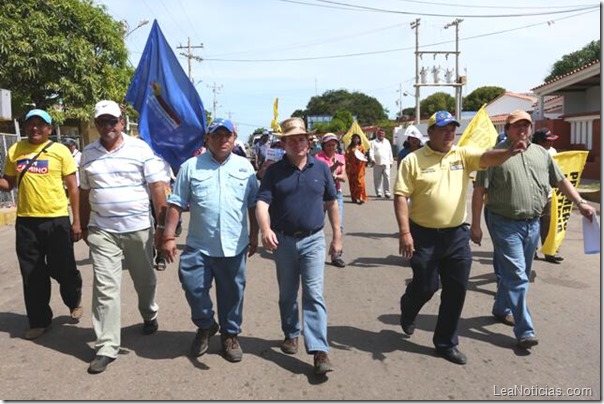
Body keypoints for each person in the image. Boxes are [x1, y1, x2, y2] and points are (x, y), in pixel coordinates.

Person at [393, 110, 528, 365]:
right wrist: (404, 232)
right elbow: (400, 196)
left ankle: (445, 343)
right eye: (443, 129)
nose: (449, 133)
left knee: (456, 290)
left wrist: (509, 152)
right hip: (423, 234)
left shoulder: (462, 154)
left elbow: (488, 157)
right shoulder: (413, 160)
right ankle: (408, 306)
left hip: (456, 235)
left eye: (452, 128)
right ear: (430, 132)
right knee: (426, 286)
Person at [469, 110, 595, 351]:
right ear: (506, 129)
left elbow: (560, 181)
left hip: (532, 224)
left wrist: (581, 203)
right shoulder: (493, 156)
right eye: (517, 126)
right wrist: (475, 225)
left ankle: (500, 308)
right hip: (504, 223)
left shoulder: (541, 154)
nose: (522, 130)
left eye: (526, 125)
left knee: (519, 272)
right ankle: (525, 330)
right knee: (518, 276)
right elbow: (479, 191)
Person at [79, 100, 169, 374]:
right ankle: (106, 346)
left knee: (144, 281)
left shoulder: (140, 149)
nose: (108, 126)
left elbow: (157, 189)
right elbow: (84, 192)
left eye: (112, 121)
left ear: (122, 123)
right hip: (103, 230)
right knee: (105, 289)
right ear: (96, 125)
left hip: (138, 228)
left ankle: (149, 313)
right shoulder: (87, 154)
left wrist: (162, 230)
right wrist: (83, 225)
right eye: (102, 122)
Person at [160, 118, 259, 363]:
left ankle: (230, 334)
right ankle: (206, 325)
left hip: (234, 246)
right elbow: (176, 203)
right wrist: (168, 236)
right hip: (199, 246)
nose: (222, 140)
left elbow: (253, 205)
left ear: (234, 138)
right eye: (217, 135)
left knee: (233, 294)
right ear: (208, 138)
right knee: (192, 286)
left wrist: (255, 235)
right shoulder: (190, 167)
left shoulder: (245, 168)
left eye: (227, 136)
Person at [256, 117, 342, 375]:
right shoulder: (274, 171)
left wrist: (337, 235)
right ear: (283, 144)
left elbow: (332, 203)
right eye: (291, 139)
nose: (298, 143)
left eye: (301, 138)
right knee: (287, 293)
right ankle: (291, 333)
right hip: (283, 241)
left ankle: (319, 350)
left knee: (314, 294)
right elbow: (262, 203)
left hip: (314, 239)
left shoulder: (321, 168)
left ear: (308, 141)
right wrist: (265, 228)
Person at [0, 109, 83, 340]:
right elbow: (9, 183)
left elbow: (73, 188)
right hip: (26, 222)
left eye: (40, 124)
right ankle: (38, 321)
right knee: (32, 273)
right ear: (25, 128)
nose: (35, 128)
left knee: (63, 268)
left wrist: (76, 221)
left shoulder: (60, 152)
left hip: (56, 220)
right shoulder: (15, 150)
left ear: (49, 129)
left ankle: (73, 297)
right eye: (30, 124)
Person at [315, 133, 347, 268]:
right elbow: (323, 174)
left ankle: (336, 254)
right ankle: (315, 253)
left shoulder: (340, 157)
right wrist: (334, 171)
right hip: (320, 194)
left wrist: (336, 175)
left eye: (333, 145)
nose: (331, 147)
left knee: (338, 225)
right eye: (328, 145)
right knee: (317, 224)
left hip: (336, 193)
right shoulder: (318, 157)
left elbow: (344, 177)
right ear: (323, 146)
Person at [531, 127, 563, 263]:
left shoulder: (552, 152)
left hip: (549, 195)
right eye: (548, 141)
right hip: (533, 196)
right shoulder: (529, 152)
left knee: (548, 225)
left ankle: (549, 253)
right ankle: (531, 252)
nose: (551, 143)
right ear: (539, 141)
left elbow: (557, 172)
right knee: (533, 226)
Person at [368, 128, 394, 198]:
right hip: (377, 163)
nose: (381, 135)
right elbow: (371, 152)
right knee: (377, 178)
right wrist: (372, 159)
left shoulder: (387, 141)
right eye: (380, 133)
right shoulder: (373, 142)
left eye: (382, 134)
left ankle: (387, 192)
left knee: (387, 178)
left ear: (384, 134)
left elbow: (390, 152)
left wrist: (391, 161)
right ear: (377, 134)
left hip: (386, 163)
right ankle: (378, 192)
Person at [344, 133, 368, 204]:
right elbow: (346, 156)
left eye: (357, 138)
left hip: (360, 167)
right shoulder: (349, 148)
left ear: (359, 139)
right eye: (354, 138)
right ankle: (354, 197)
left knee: (360, 182)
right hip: (352, 168)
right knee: (352, 183)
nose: (356, 140)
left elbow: (364, 156)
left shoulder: (361, 147)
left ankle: (360, 197)